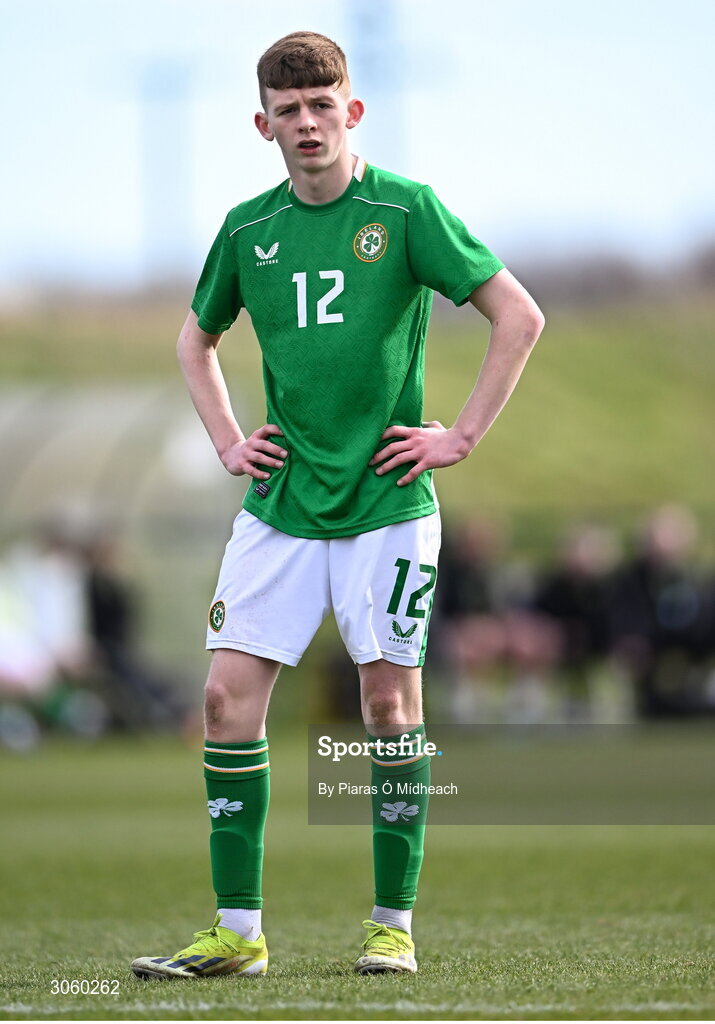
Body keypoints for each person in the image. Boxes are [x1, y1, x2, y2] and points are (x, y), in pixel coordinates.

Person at [131, 30, 544, 980]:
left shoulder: (404, 210)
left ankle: (390, 921)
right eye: (288, 111)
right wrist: (229, 442)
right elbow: (194, 344)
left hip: (388, 506)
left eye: (323, 107)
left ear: (351, 111)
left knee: (388, 708)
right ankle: (237, 933)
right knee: (225, 703)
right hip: (279, 506)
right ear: (262, 124)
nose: (307, 123)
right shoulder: (246, 230)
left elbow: (517, 315)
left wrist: (461, 436)